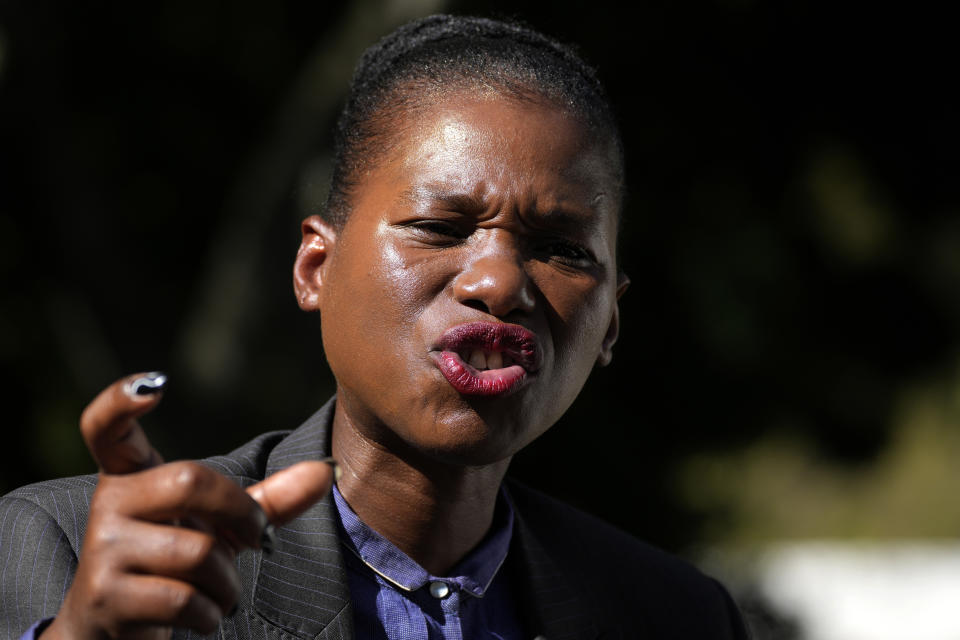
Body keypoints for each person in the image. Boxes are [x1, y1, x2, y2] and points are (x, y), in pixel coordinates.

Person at [0, 15, 749, 640]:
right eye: (439, 226)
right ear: (314, 269)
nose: (498, 283)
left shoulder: (676, 615)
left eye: (560, 249)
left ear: (610, 321)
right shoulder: (75, 550)